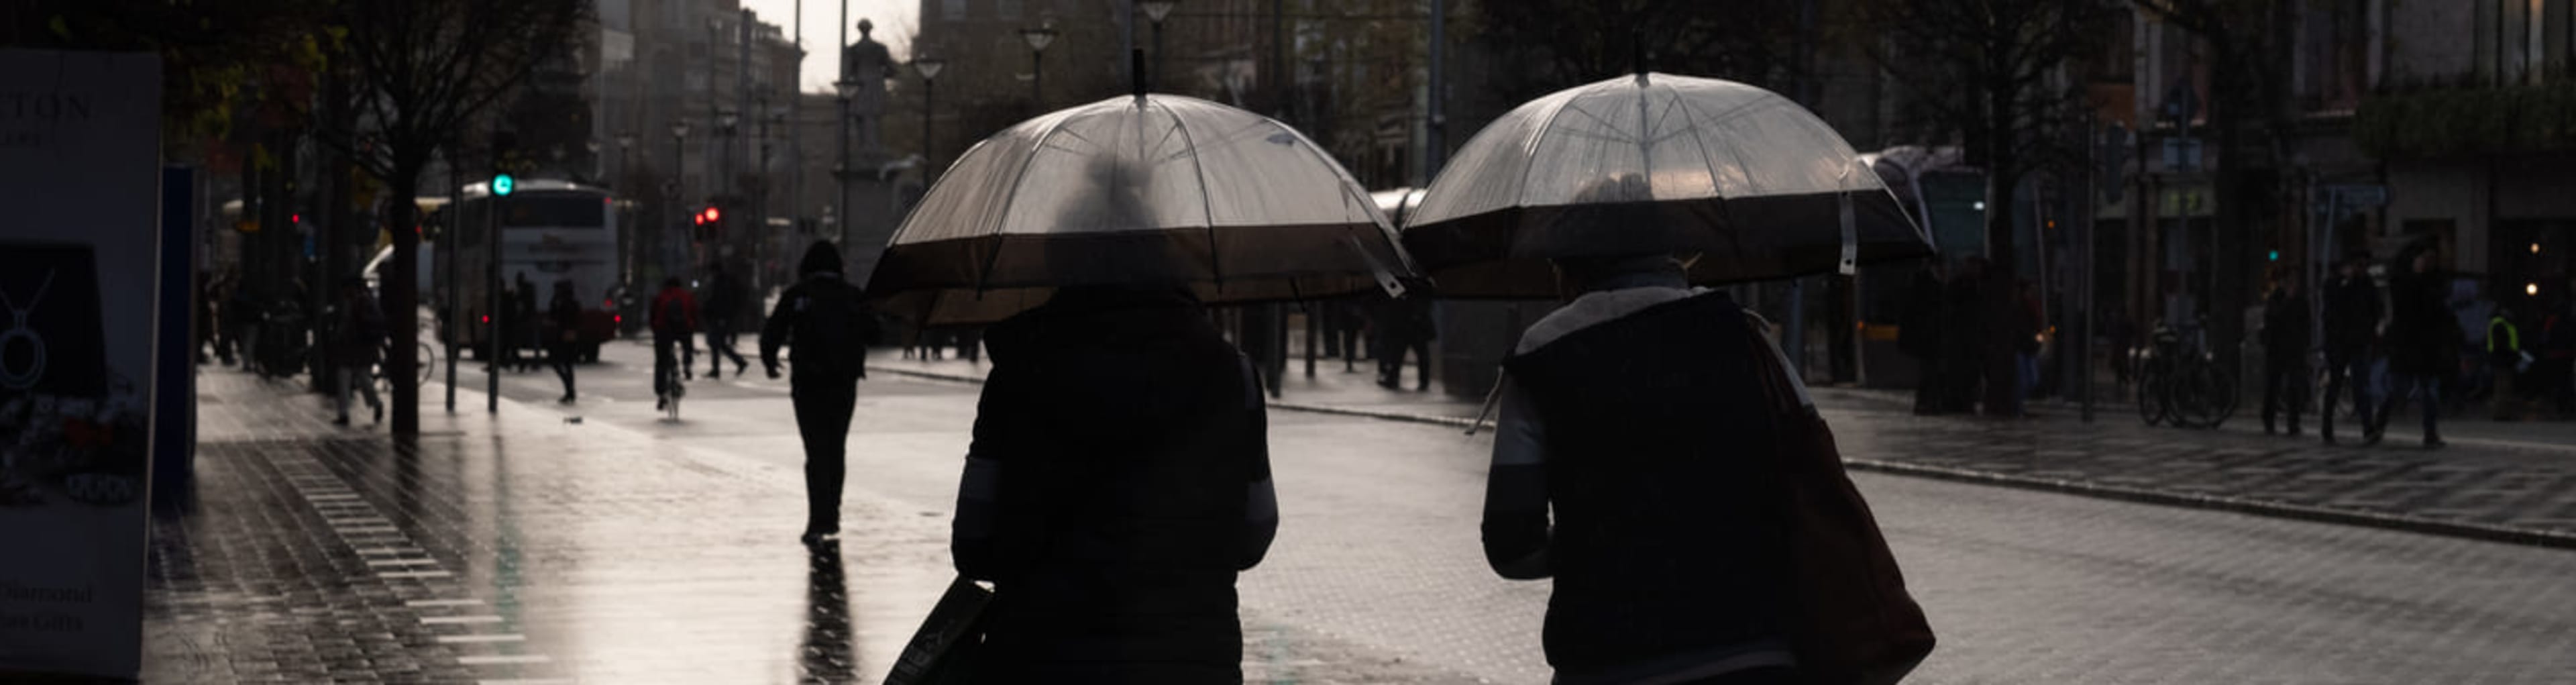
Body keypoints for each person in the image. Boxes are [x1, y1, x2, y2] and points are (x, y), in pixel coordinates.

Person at [1483, 253, 1799, 684]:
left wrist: (1606, 541)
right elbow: (1808, 491)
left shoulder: (1541, 353)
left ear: (1569, 263)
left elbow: (1512, 545)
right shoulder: (1747, 335)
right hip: (1753, 652)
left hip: (1607, 659)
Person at [949, 283, 1278, 682]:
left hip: (1042, 655)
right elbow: (1254, 532)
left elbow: (972, 541)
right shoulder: (1232, 374)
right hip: (1191, 658)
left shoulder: (1017, 374)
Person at [761, 244, 880, 543]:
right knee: (836, 448)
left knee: (815, 451)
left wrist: (771, 362)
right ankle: (833, 516)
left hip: (807, 383)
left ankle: (817, 519)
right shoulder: (851, 294)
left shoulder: (798, 294)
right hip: (843, 382)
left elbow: (773, 332)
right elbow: (876, 332)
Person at [2375, 246, 2451, 448]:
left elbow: (2438, 313)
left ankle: (2430, 433)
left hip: (2423, 346)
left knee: (2427, 391)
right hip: (2409, 345)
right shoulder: (2405, 284)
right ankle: (2379, 426)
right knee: (2400, 389)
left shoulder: (2432, 285)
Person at [2319, 256, 2381, 444]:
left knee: (2361, 385)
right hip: (2339, 343)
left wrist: (2371, 329)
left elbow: (2376, 307)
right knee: (2336, 384)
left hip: (2359, 342)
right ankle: (2327, 428)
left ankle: (2368, 428)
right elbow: (2330, 311)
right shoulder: (2335, 284)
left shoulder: (2366, 284)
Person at [2260, 272, 2312, 435]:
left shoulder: (2301, 300)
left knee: (2294, 387)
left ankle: (2293, 422)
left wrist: (2305, 344)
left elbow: (2306, 323)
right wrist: (2287, 302)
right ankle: (2269, 418)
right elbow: (2273, 319)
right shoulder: (2276, 299)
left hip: (2295, 349)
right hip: (2277, 348)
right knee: (2273, 385)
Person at [329, 277, 385, 426]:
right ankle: (344, 413)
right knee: (348, 379)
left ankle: (375, 404)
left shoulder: (363, 302)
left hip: (360, 348)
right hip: (352, 348)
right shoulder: (351, 303)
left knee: (361, 379)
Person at [1940, 257, 1990, 413]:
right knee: (1962, 377)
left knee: (1969, 377)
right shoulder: (1960, 287)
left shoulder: (1982, 286)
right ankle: (1960, 404)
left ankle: (1964, 403)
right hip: (1963, 343)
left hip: (1972, 343)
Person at [1898, 263, 1947, 415]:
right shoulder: (1927, 286)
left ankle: (1927, 403)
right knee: (1930, 373)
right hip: (1929, 339)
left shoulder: (1921, 284)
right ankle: (1928, 403)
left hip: (1929, 339)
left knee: (1929, 373)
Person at [649, 276, 700, 411]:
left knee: (661, 362)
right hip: (684, 329)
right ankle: (687, 365)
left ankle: (661, 393)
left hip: (663, 331)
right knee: (688, 345)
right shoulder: (687, 296)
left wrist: (655, 332)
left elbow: (653, 316)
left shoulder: (660, 297)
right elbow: (695, 314)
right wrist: (692, 327)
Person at [1374, 293, 1436, 390]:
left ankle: (1395, 380)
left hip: (1411, 325)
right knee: (1399, 355)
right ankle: (1395, 380)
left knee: (1400, 355)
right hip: (1407, 324)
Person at [702, 265, 749, 378]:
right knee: (719, 343)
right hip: (722, 317)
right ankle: (738, 362)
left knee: (715, 342)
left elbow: (718, 302)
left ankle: (718, 369)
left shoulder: (721, 284)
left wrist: (714, 314)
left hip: (719, 317)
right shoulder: (723, 282)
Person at [2488, 303, 2527, 421]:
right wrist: (2513, 354)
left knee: (2504, 388)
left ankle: (2503, 413)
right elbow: (2501, 344)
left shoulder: (2504, 323)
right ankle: (2501, 414)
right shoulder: (2500, 324)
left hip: (2504, 360)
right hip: (2502, 360)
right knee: (2503, 388)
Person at [548, 280, 581, 404]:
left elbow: (555, 317)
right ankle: (570, 390)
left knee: (559, 363)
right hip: (570, 336)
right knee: (568, 365)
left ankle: (570, 390)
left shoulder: (563, 304)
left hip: (564, 336)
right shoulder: (573, 304)